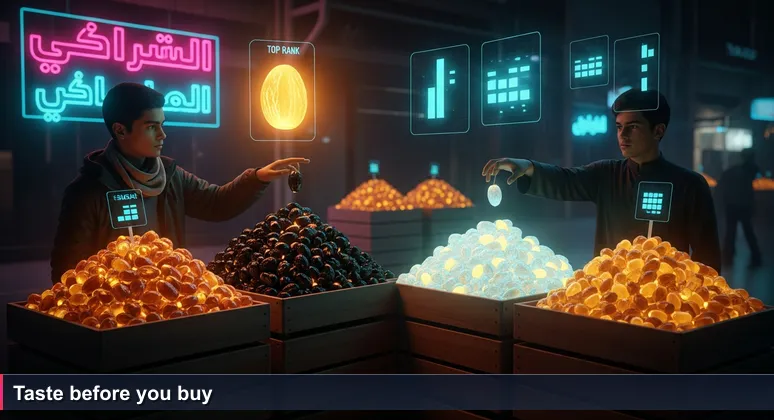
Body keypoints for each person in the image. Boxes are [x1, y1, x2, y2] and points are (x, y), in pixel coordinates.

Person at [50, 82, 310, 283]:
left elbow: (216, 203)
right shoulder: (88, 191)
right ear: (120, 130)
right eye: (151, 126)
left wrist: (258, 177)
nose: (162, 134)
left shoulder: (171, 176)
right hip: (117, 317)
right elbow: (68, 273)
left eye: (162, 125)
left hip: (170, 301)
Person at [481, 89, 722, 271]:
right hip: (609, 295)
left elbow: (707, 258)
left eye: (633, 127)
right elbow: (565, 180)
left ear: (658, 130)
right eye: (619, 127)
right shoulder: (607, 174)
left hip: (665, 301)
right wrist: (528, 167)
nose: (622, 135)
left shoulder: (689, 185)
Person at [717, 148, 762, 268]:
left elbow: (723, 188)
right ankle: (755, 257)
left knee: (731, 232)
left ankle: (728, 257)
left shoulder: (732, 171)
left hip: (733, 205)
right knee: (747, 232)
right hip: (743, 205)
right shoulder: (749, 171)